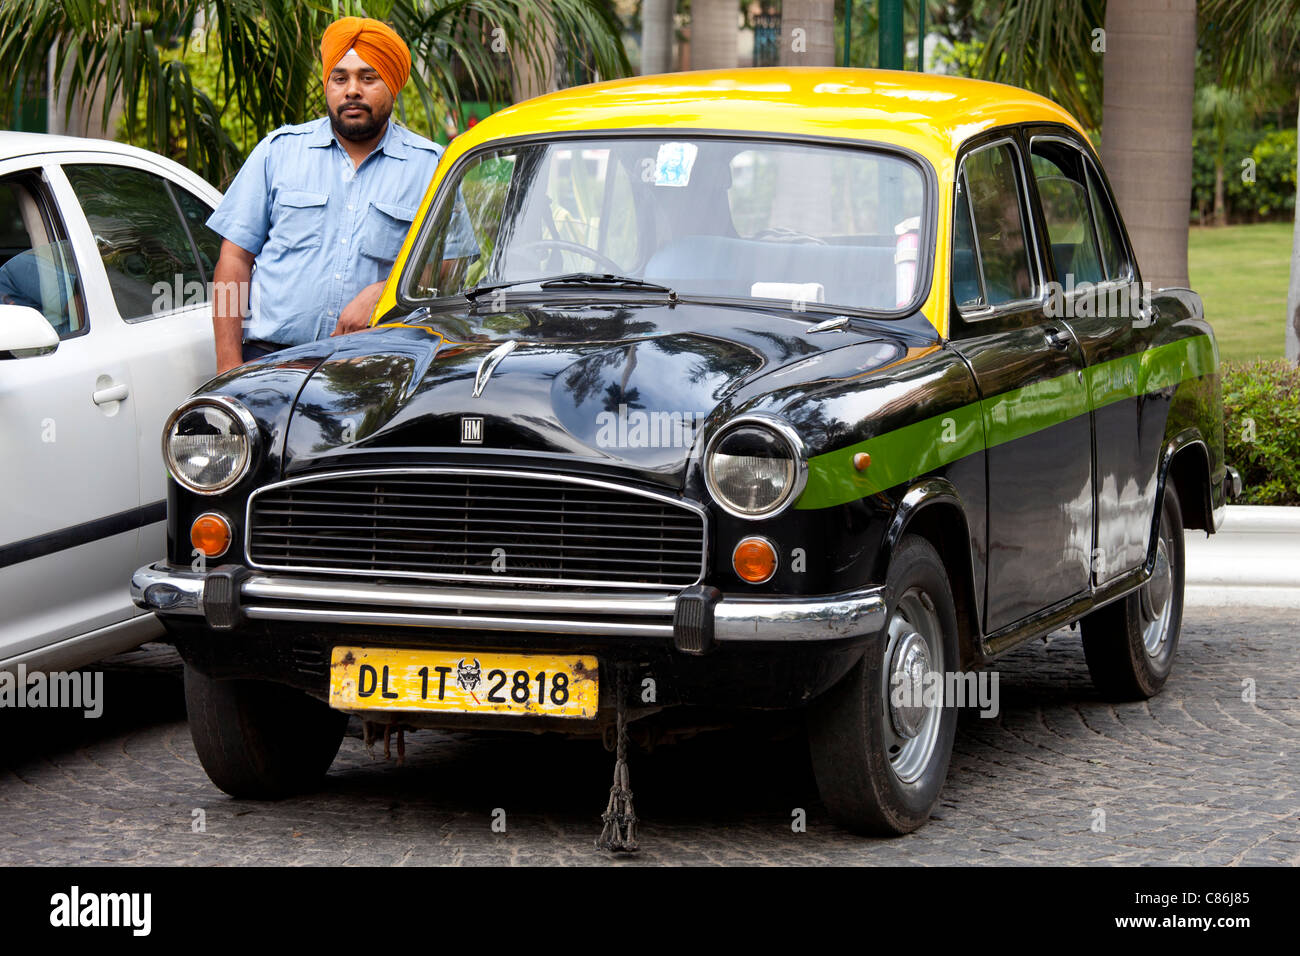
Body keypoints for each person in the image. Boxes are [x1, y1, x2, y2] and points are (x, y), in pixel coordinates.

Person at [207, 16, 462, 372]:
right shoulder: (277, 153)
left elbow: (450, 267)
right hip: (271, 365)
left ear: (393, 84)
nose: (352, 90)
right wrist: (228, 366)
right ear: (328, 85)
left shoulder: (431, 166)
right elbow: (233, 261)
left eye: (368, 77)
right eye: (340, 78)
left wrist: (386, 291)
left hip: (378, 367)